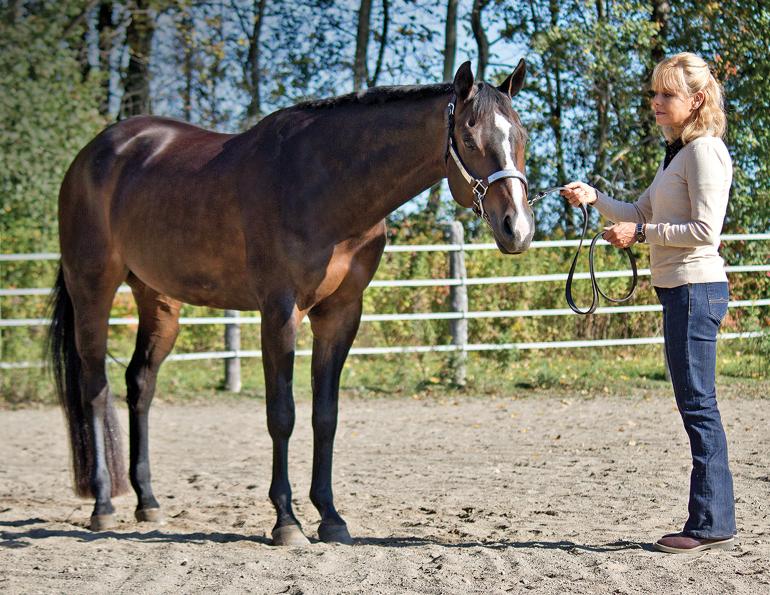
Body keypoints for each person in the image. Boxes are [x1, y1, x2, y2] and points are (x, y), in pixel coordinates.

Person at [561, 52, 736, 554]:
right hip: (681, 290)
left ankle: (709, 523)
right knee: (696, 404)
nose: (655, 103)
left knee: (699, 406)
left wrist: (641, 232)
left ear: (696, 100)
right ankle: (711, 519)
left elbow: (706, 230)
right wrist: (594, 198)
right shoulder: (678, 155)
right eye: (655, 94)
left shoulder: (704, 153)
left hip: (694, 288)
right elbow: (638, 210)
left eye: (667, 95)